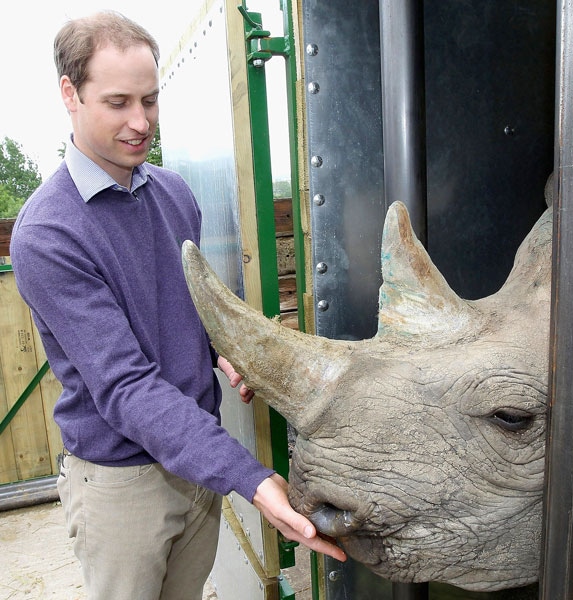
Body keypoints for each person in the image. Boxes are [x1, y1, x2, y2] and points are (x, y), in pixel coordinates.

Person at [10, 10, 345, 600]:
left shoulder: (172, 193)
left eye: (151, 99)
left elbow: (186, 302)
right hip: (122, 484)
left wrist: (223, 350)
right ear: (70, 93)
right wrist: (253, 479)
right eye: (118, 102)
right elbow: (125, 387)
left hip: (196, 462)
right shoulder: (48, 233)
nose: (141, 122)